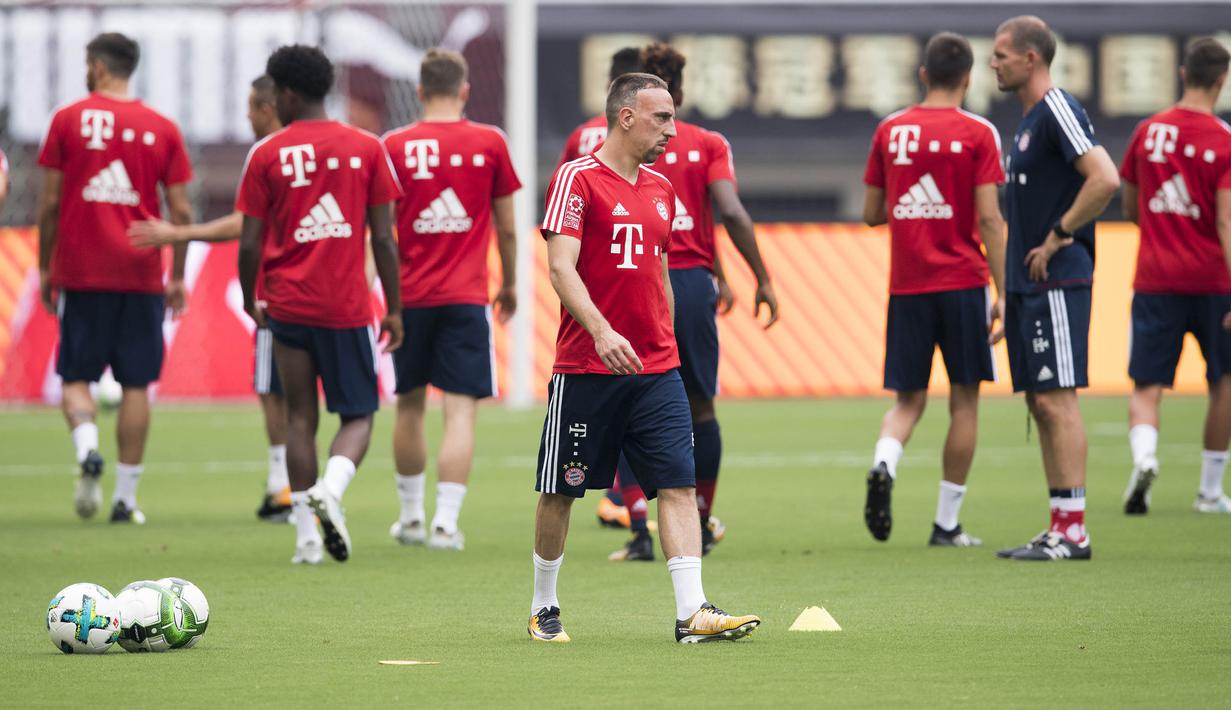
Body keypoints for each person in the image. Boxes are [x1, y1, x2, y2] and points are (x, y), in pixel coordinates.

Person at [528, 72, 759, 644]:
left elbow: (660, 271)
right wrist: (602, 331)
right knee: (561, 489)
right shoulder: (577, 178)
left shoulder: (661, 188)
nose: (672, 131)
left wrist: (667, 343)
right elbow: (560, 267)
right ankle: (543, 604)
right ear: (626, 116)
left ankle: (692, 612)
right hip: (587, 366)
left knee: (678, 484)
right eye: (663, 118)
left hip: (657, 369)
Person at [606, 42, 779, 563]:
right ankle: (698, 523)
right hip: (691, 284)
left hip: (629, 281)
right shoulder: (706, 143)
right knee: (700, 405)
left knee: (624, 400)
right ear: (677, 93)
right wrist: (760, 277)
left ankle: (640, 526)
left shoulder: (597, 143)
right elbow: (729, 211)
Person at [236, 45, 403, 565]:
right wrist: (394, 308)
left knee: (299, 419)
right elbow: (384, 238)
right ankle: (332, 488)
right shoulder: (367, 147)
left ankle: (307, 540)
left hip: (286, 307)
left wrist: (249, 296)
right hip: (346, 307)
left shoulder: (266, 153)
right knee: (359, 416)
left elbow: (248, 242)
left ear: (287, 93)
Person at [37, 32, 193, 524]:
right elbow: (182, 211)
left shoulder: (67, 120)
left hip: (82, 271)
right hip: (141, 272)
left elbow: (49, 202)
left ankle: (87, 448)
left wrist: (45, 266)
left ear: (99, 67)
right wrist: (177, 275)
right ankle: (125, 500)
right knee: (136, 385)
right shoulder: (162, 127)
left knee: (75, 377)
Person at [861, 32, 1007, 547]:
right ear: (968, 77)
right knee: (964, 402)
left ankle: (884, 461)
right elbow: (990, 219)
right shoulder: (979, 133)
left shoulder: (891, 130)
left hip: (908, 285)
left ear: (923, 74)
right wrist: (1005, 291)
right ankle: (947, 524)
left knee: (908, 401)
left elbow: (871, 213)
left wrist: (912, 209)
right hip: (963, 282)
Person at [128, 75, 291, 523]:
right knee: (316, 399)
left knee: (274, 390)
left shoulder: (268, 154)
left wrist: (180, 233)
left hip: (281, 292)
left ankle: (287, 488)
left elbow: (245, 224)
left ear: (267, 109)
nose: (246, 116)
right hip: (333, 292)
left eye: (250, 107)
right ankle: (301, 486)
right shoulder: (325, 149)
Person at [991, 16, 1120, 560]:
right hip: (1028, 284)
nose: (993, 63)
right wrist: (1008, 288)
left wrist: (1059, 235)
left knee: (1058, 398)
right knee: (1041, 402)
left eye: (1001, 54)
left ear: (1031, 58)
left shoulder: (1057, 109)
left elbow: (1105, 178)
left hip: (1059, 279)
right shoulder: (1027, 123)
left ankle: (1074, 532)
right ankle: (1059, 526)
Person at [382, 49, 521, 550]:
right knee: (460, 412)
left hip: (410, 297)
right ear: (464, 90)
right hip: (466, 297)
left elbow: (380, 232)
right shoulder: (490, 141)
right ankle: (445, 522)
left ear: (420, 91)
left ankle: (410, 519)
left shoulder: (394, 146)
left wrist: (387, 298)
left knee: (409, 404)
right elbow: (508, 227)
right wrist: (509, 283)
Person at [1120, 38, 1231, 515]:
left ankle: (1145, 458)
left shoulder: (1148, 132)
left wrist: (1160, 232)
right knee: (1224, 382)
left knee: (1147, 385)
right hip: (1214, 282)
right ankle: (1209, 492)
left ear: (1183, 73)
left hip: (1155, 278)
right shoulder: (1223, 140)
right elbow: (1226, 220)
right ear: (1222, 81)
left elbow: (1130, 203)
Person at [559, 45, 648, 531]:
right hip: (632, 287)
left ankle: (624, 499)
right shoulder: (648, 155)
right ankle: (625, 499)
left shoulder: (580, 138)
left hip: (598, 287)